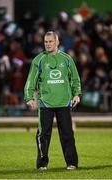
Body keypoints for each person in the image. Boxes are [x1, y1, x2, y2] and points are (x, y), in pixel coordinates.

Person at [24, 31, 81, 170]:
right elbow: (31, 80)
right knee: (43, 135)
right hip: (45, 103)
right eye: (46, 42)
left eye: (50, 41)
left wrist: (76, 94)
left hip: (64, 102)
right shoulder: (39, 60)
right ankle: (42, 164)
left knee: (67, 134)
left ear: (57, 42)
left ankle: (72, 163)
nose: (48, 44)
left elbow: (75, 79)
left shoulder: (67, 59)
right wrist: (29, 97)